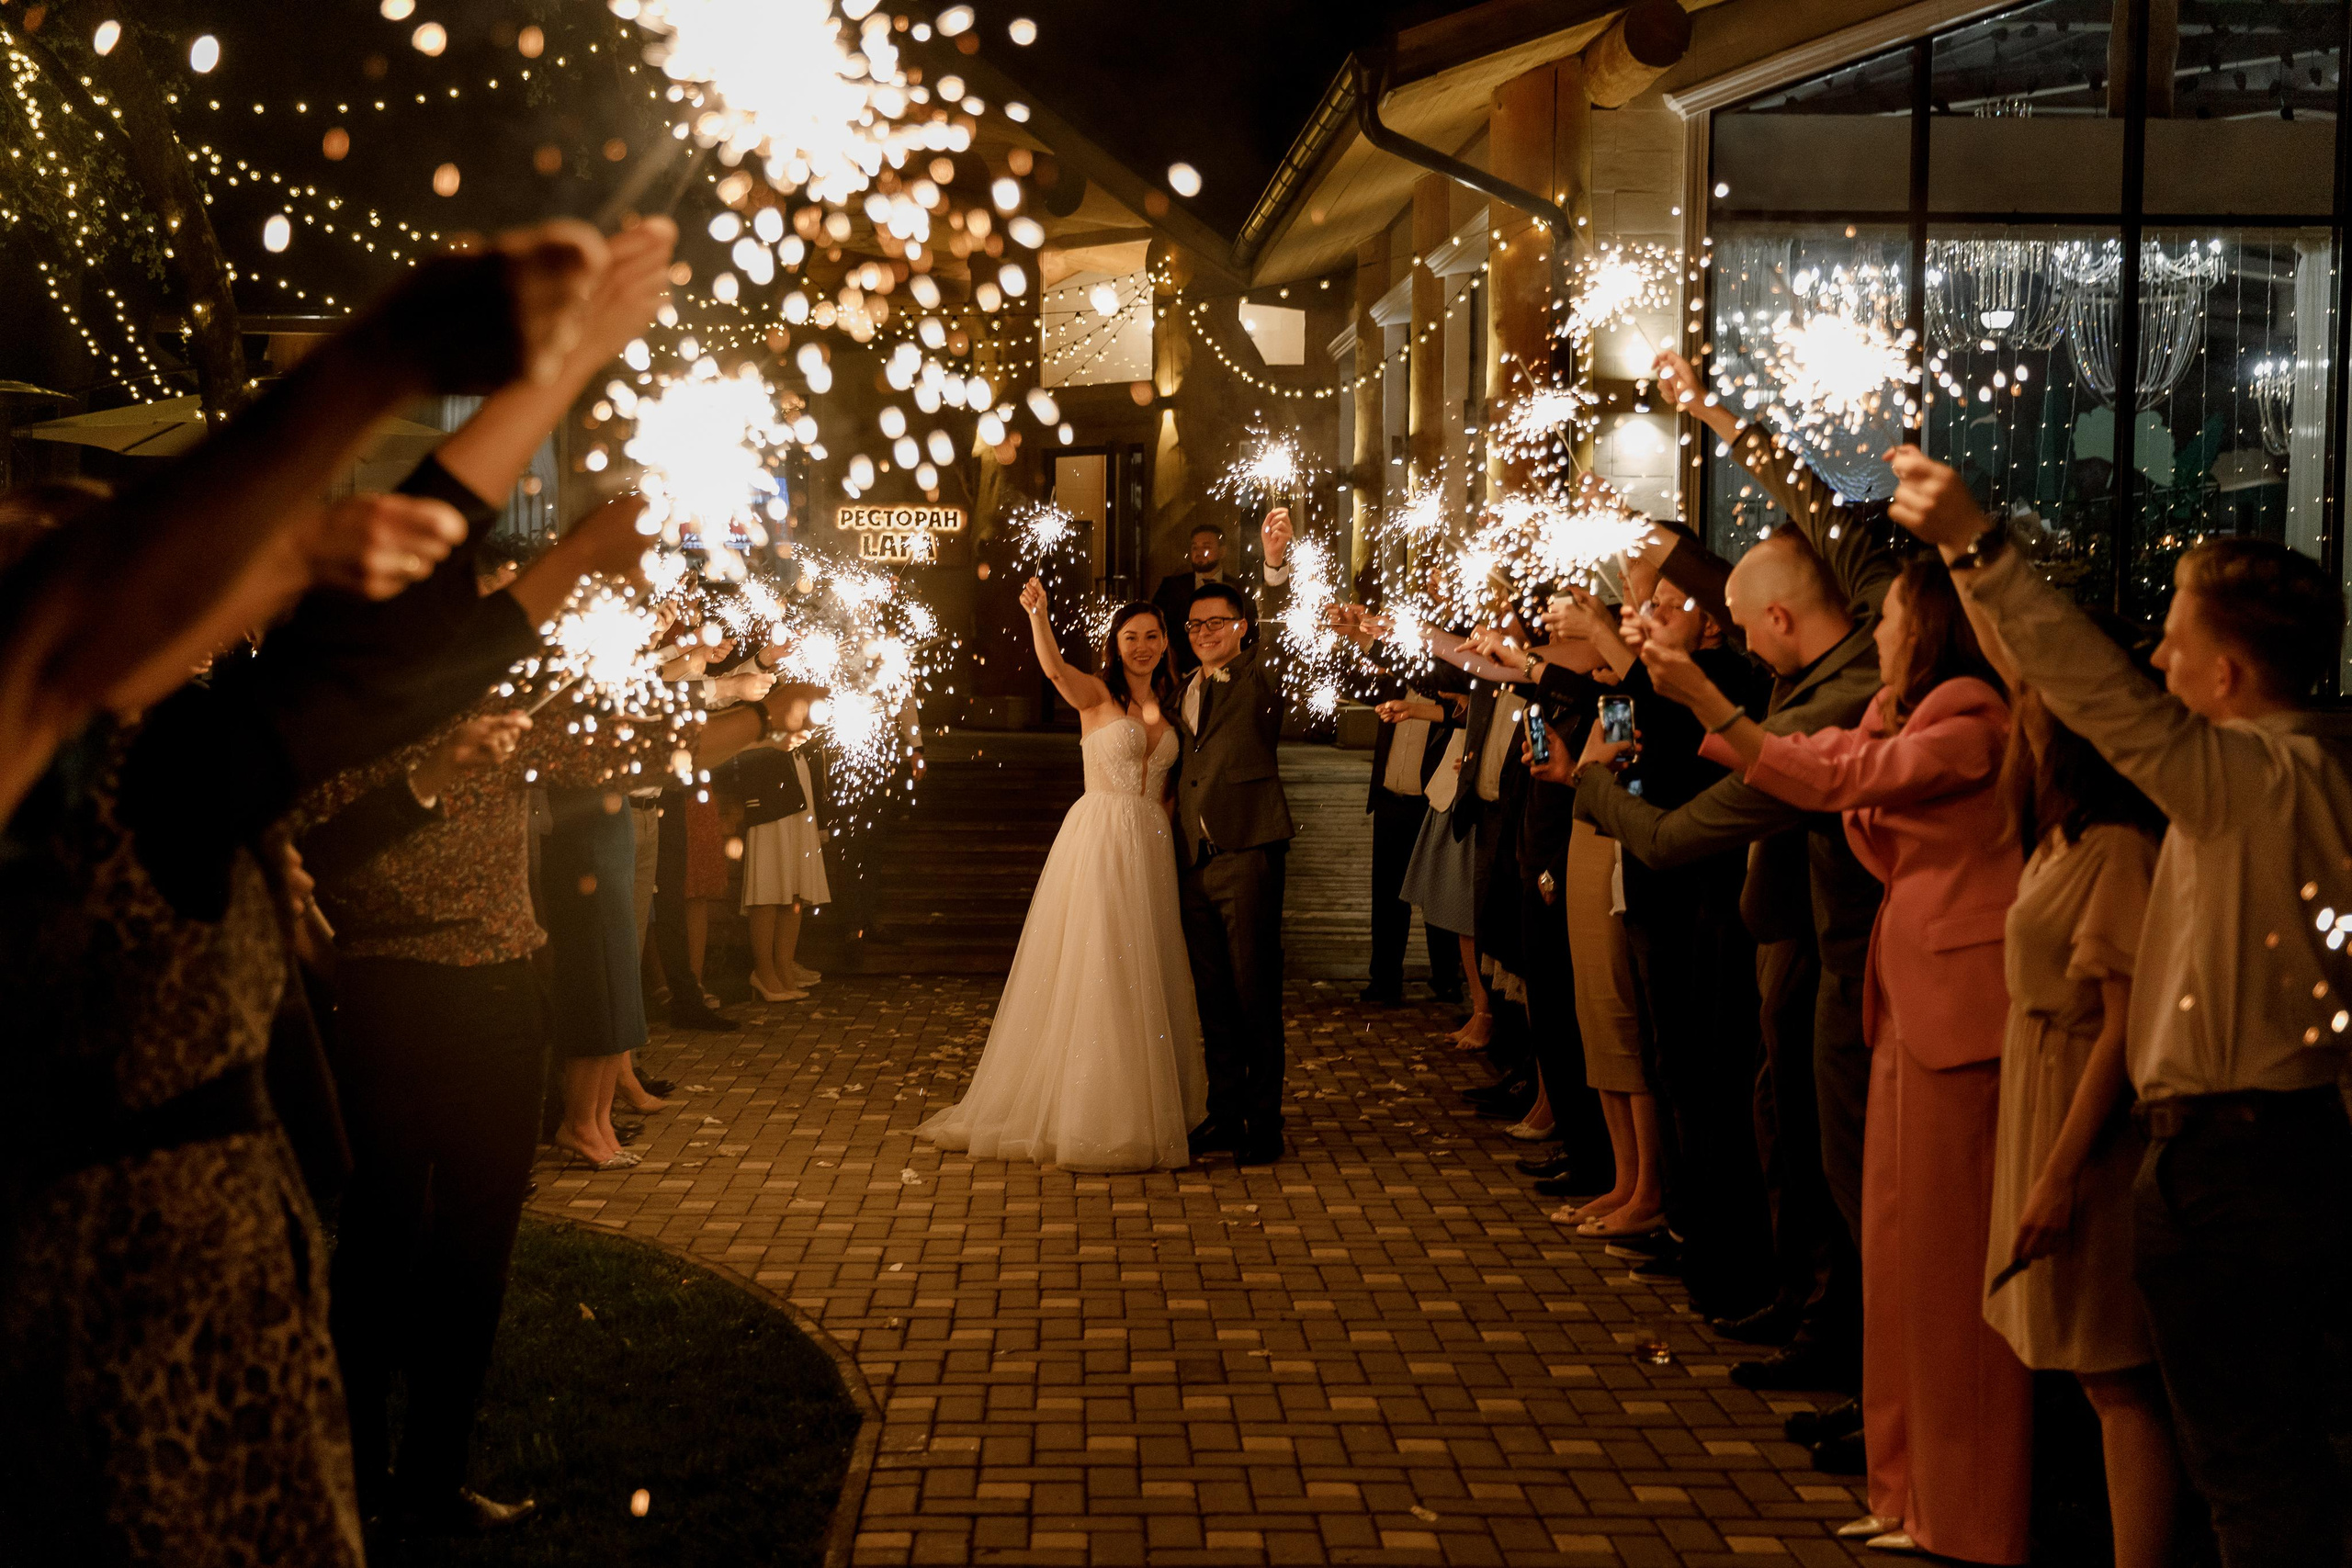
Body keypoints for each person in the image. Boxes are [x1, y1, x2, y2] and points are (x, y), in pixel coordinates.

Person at [0, 220, 611, 1568]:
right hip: (106, 1290)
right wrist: (385, 365)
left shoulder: (156, 748)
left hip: (227, 1260)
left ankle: (423, 1468)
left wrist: (534, 392)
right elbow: (364, 677)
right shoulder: (69, 786)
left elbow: (376, 657)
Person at [1890, 446, 2352, 1568]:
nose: (2155, 657)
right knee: (2280, 1451)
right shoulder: (2323, 768)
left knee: (2245, 1467)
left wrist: (1975, 544)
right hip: (2288, 1147)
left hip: (2229, 1157)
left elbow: (2092, 692)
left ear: (2229, 677)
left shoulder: (2247, 779)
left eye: (2177, 641)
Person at [1648, 554, 2031, 1562]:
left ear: (1933, 628)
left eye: (1894, 620)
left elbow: (1836, 779)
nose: (1881, 635)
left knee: (1947, 1275)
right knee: (1897, 1260)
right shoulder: (1903, 714)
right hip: (1901, 997)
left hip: (1961, 1009)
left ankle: (1971, 1514)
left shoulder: (1971, 726)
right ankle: (1904, 1491)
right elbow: (1818, 751)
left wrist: (1700, 696)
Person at [1575, 349, 1893, 1408]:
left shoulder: (1823, 706)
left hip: (1844, 952)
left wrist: (1598, 794)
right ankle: (1808, 1315)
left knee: (1834, 1158)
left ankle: (1847, 1355)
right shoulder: (1816, 666)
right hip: (1794, 936)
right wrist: (1711, 410)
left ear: (1787, 623)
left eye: (1753, 629)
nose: (1744, 643)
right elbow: (1811, 500)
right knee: (1786, 1129)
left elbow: (1676, 840)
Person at [1972, 615, 2177, 1568]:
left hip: (2081, 1112)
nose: (2017, 728)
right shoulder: (2061, 837)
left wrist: (2059, 1170)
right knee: (2081, 1365)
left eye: (2031, 714)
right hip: (2039, 1084)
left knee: (2114, 1369)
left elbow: (2122, 1026)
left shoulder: (2119, 849)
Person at [917, 587, 1204, 1171]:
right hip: (1099, 838)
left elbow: (1171, 793)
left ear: (1165, 641)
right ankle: (1095, 1110)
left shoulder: (1174, 709)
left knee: (1146, 965)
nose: (1143, 647)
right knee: (1102, 962)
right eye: (1131, 637)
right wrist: (1038, 617)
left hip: (1151, 846)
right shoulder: (1097, 695)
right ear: (1115, 645)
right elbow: (1052, 669)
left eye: (1153, 636)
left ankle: (1152, 1104)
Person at [1175, 509, 1295, 1167]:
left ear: (1240, 628)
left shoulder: (1255, 677)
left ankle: (1263, 1121)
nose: (1204, 634)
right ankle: (1224, 1113)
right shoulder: (1181, 688)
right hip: (1193, 862)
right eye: (1195, 626)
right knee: (1213, 997)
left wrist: (1272, 565)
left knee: (1255, 992)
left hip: (1248, 852)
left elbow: (1281, 642)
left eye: (1216, 623)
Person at [736, 732, 832, 1002]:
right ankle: (764, 970)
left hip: (798, 778)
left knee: (796, 883)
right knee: (768, 877)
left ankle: (783, 966)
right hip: (767, 786)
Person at [1151, 520, 1287, 674]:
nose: (1199, 552)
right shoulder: (1172, 587)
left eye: (1206, 547)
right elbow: (1158, 630)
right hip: (1178, 674)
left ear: (1222, 551)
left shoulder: (1241, 588)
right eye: (1195, 547)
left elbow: (1252, 635)